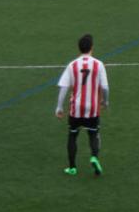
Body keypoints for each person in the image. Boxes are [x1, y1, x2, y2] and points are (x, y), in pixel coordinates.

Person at [55, 34, 109, 177]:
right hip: (92, 108)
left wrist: (59, 107)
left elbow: (63, 88)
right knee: (93, 134)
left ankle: (72, 168)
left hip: (76, 108)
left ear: (79, 48)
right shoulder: (98, 64)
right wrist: (105, 101)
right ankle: (94, 157)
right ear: (92, 47)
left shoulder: (72, 65)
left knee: (72, 135)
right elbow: (105, 87)